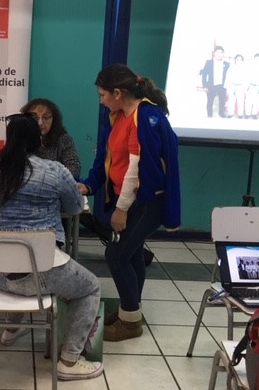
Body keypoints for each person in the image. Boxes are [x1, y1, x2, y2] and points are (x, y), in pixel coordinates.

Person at [0, 114, 103, 381]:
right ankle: (70, 361)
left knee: (13, 260)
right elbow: (74, 208)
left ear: (8, 139)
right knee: (91, 287)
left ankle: (11, 330)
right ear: (38, 140)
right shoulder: (55, 171)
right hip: (41, 274)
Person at [77, 63, 181, 342]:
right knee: (132, 254)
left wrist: (121, 209)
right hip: (133, 199)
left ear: (118, 93)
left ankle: (130, 321)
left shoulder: (144, 118)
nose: (100, 100)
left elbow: (136, 171)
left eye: (102, 94)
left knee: (117, 254)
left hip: (146, 202)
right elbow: (109, 159)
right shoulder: (120, 115)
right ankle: (129, 311)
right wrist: (89, 183)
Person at [20, 98, 81, 178]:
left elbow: (74, 168)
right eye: (35, 117)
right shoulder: (20, 137)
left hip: (54, 187)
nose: (40, 123)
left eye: (46, 117)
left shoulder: (63, 139)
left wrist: (47, 180)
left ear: (54, 120)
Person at [200, 45, 229, 118]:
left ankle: (221, 113)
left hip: (222, 86)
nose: (219, 54)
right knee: (210, 101)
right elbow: (204, 75)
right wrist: (205, 86)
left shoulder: (227, 64)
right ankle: (209, 114)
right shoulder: (209, 62)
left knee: (222, 101)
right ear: (214, 53)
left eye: (221, 52)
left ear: (223, 54)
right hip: (211, 85)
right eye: (218, 52)